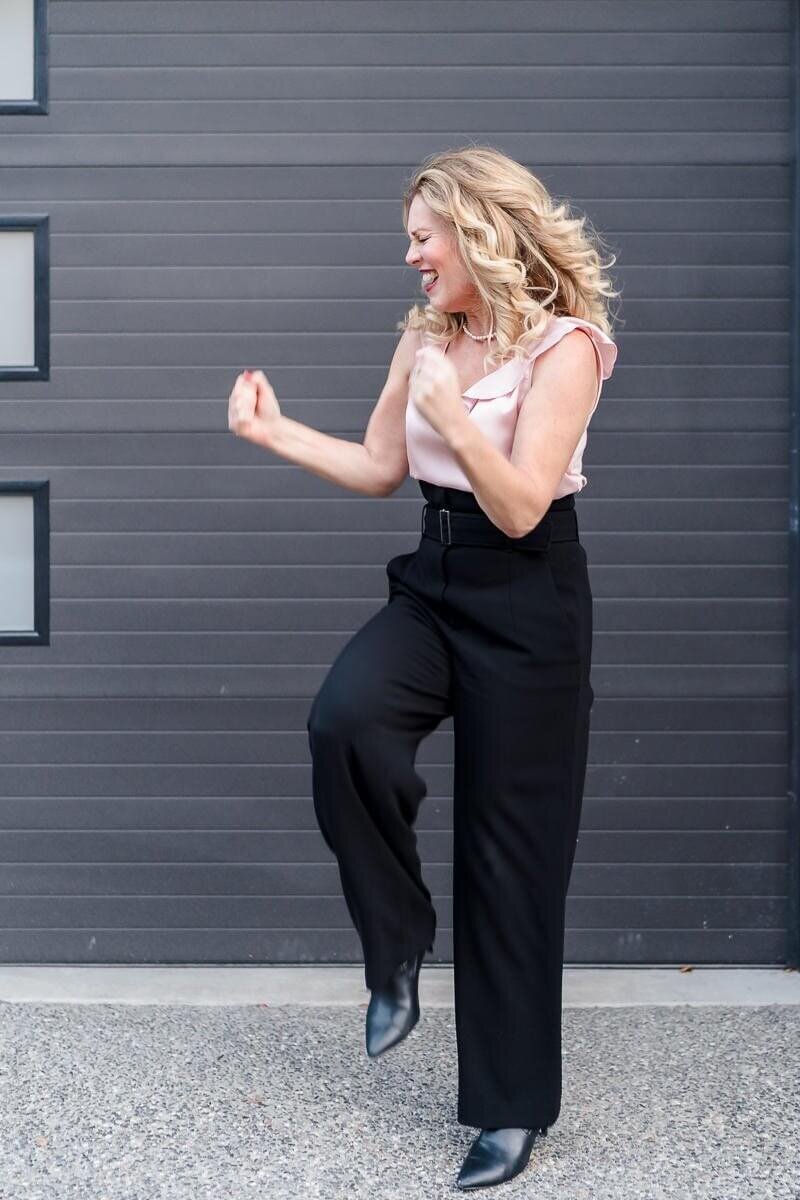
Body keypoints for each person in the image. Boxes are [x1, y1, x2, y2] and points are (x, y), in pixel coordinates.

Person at [227, 144, 620, 1191]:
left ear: (478, 228)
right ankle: (395, 951)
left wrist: (454, 413)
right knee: (343, 721)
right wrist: (275, 434)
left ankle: (506, 1110)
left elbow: (524, 503)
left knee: (510, 861)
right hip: (435, 581)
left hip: (529, 597)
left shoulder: (567, 346)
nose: (409, 258)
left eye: (420, 236)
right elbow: (378, 468)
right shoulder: (426, 336)